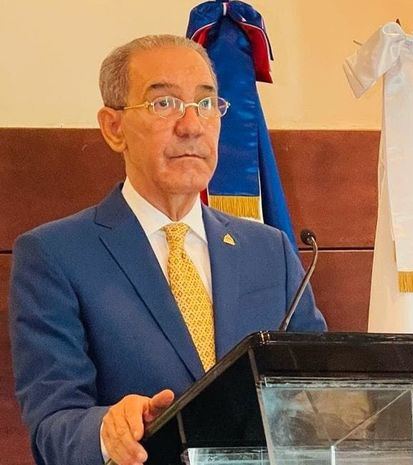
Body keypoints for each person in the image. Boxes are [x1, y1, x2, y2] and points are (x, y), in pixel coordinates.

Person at [9, 35, 326, 465]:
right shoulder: (54, 255)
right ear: (114, 127)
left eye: (206, 103)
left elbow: (319, 390)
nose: (192, 125)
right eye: (164, 103)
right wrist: (108, 429)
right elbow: (53, 425)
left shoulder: (269, 250)